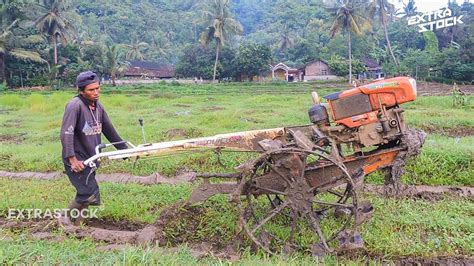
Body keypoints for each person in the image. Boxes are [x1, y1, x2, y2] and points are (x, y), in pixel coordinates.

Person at [59, 71, 128, 226]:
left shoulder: (98, 107)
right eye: (91, 90)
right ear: (81, 90)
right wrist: (72, 159)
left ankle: (77, 224)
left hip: (91, 158)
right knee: (88, 193)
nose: (96, 92)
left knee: (87, 194)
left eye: (97, 88)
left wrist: (123, 150)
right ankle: (64, 219)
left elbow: (109, 130)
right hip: (77, 159)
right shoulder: (74, 106)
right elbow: (66, 133)